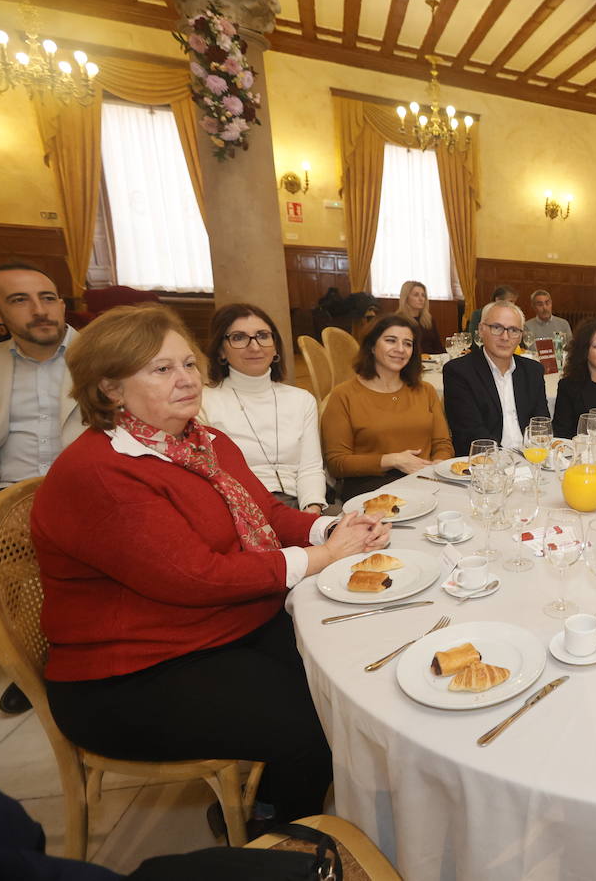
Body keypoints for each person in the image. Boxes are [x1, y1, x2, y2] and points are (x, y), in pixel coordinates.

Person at [31, 303, 390, 824]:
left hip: (218, 627)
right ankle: (277, 835)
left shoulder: (203, 441)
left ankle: (274, 796)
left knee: (346, 671)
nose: (186, 379)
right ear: (109, 388)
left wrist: (330, 529)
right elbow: (195, 577)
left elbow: (266, 512)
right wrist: (320, 558)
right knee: (311, 723)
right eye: (161, 369)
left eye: (188, 364)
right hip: (131, 673)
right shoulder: (101, 472)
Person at [0, 262, 84, 714]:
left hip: (80, 497)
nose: (39, 310)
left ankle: (48, 657)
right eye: (20, 300)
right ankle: (9, 657)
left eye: (48, 298)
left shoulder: (101, 355)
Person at [200, 303, 326, 513]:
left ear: (275, 346)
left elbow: (310, 468)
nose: (255, 347)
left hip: (300, 506)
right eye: (239, 338)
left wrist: (312, 513)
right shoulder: (204, 402)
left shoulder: (301, 400)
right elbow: (212, 477)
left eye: (263, 336)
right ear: (221, 351)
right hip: (241, 510)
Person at [321, 315, 455, 500]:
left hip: (425, 482)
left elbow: (442, 444)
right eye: (391, 340)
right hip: (371, 490)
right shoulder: (344, 395)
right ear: (372, 346)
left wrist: (438, 465)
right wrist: (392, 460)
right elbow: (337, 463)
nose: (400, 349)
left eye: (407, 343)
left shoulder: (426, 391)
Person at [443, 300, 551, 455]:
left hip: (531, 458)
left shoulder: (533, 371)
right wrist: (509, 461)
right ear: (481, 330)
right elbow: (470, 433)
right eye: (497, 328)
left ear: (520, 336)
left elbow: (541, 425)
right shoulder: (459, 372)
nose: (505, 337)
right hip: (485, 461)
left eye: (513, 330)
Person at [395, 280, 441, 355]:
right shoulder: (398, 320)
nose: (421, 299)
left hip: (433, 359)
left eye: (423, 295)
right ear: (406, 298)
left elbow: (438, 346)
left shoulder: (428, 320)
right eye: (416, 295)